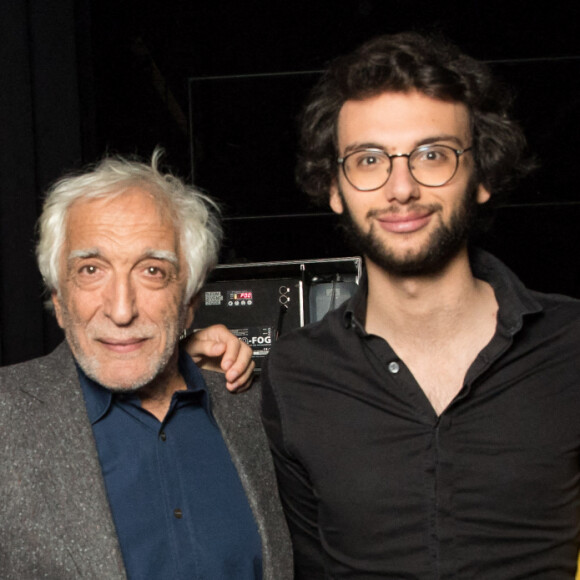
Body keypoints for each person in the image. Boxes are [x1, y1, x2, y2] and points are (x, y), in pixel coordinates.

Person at [261, 32, 580, 578]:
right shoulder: (295, 375)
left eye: (433, 154)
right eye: (368, 160)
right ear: (335, 186)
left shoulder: (571, 345)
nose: (401, 187)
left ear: (480, 174)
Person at [0, 151, 292, 579]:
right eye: (91, 269)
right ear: (59, 301)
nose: (121, 310)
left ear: (189, 302)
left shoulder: (248, 409)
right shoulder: (8, 419)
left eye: (152, 270)